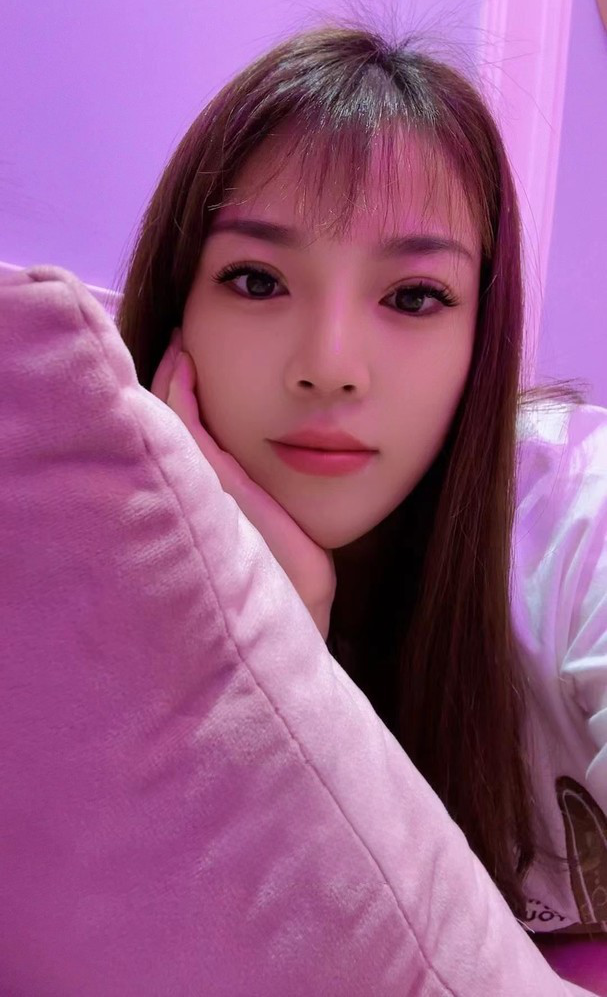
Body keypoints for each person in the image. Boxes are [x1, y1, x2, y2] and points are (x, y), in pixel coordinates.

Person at [116, 21, 607, 986]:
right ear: (176, 318)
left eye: (414, 296)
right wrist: (279, 644)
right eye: (256, 280)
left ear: (481, 335)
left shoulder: (571, 521)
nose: (330, 366)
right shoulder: (92, 578)